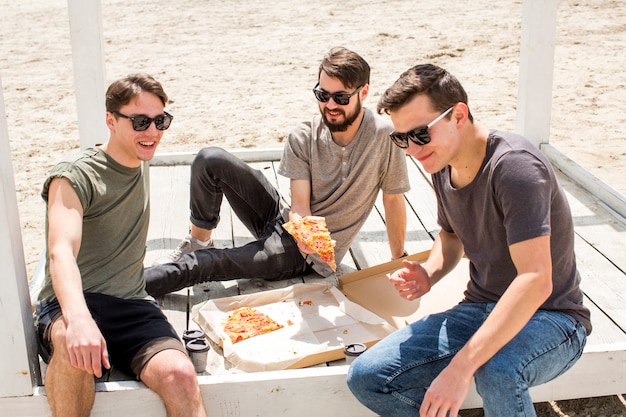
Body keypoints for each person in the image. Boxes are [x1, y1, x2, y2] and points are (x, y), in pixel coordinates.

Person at [346, 64, 591, 417]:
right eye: (402, 139)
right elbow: (450, 235)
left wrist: (460, 369)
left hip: (551, 318)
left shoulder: (515, 167)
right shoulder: (443, 164)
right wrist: (429, 273)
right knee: (367, 376)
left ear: (458, 115)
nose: (412, 149)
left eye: (420, 134)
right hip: (480, 308)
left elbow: (536, 281)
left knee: (498, 371)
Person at [144, 47, 410, 296]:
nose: (330, 105)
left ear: (363, 93)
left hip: (306, 256)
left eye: (341, 97)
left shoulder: (384, 136)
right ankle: (199, 241)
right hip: (283, 219)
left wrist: (398, 260)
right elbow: (300, 205)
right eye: (322, 95)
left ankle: (127, 290)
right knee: (209, 158)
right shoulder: (304, 135)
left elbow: (393, 199)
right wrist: (302, 228)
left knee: (206, 264)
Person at [33, 74, 208, 417]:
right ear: (110, 121)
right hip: (71, 305)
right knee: (73, 350)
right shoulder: (73, 177)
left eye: (161, 121)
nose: (153, 132)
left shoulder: (139, 157)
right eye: (141, 121)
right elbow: (60, 253)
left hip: (130, 302)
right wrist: (79, 320)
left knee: (181, 374)